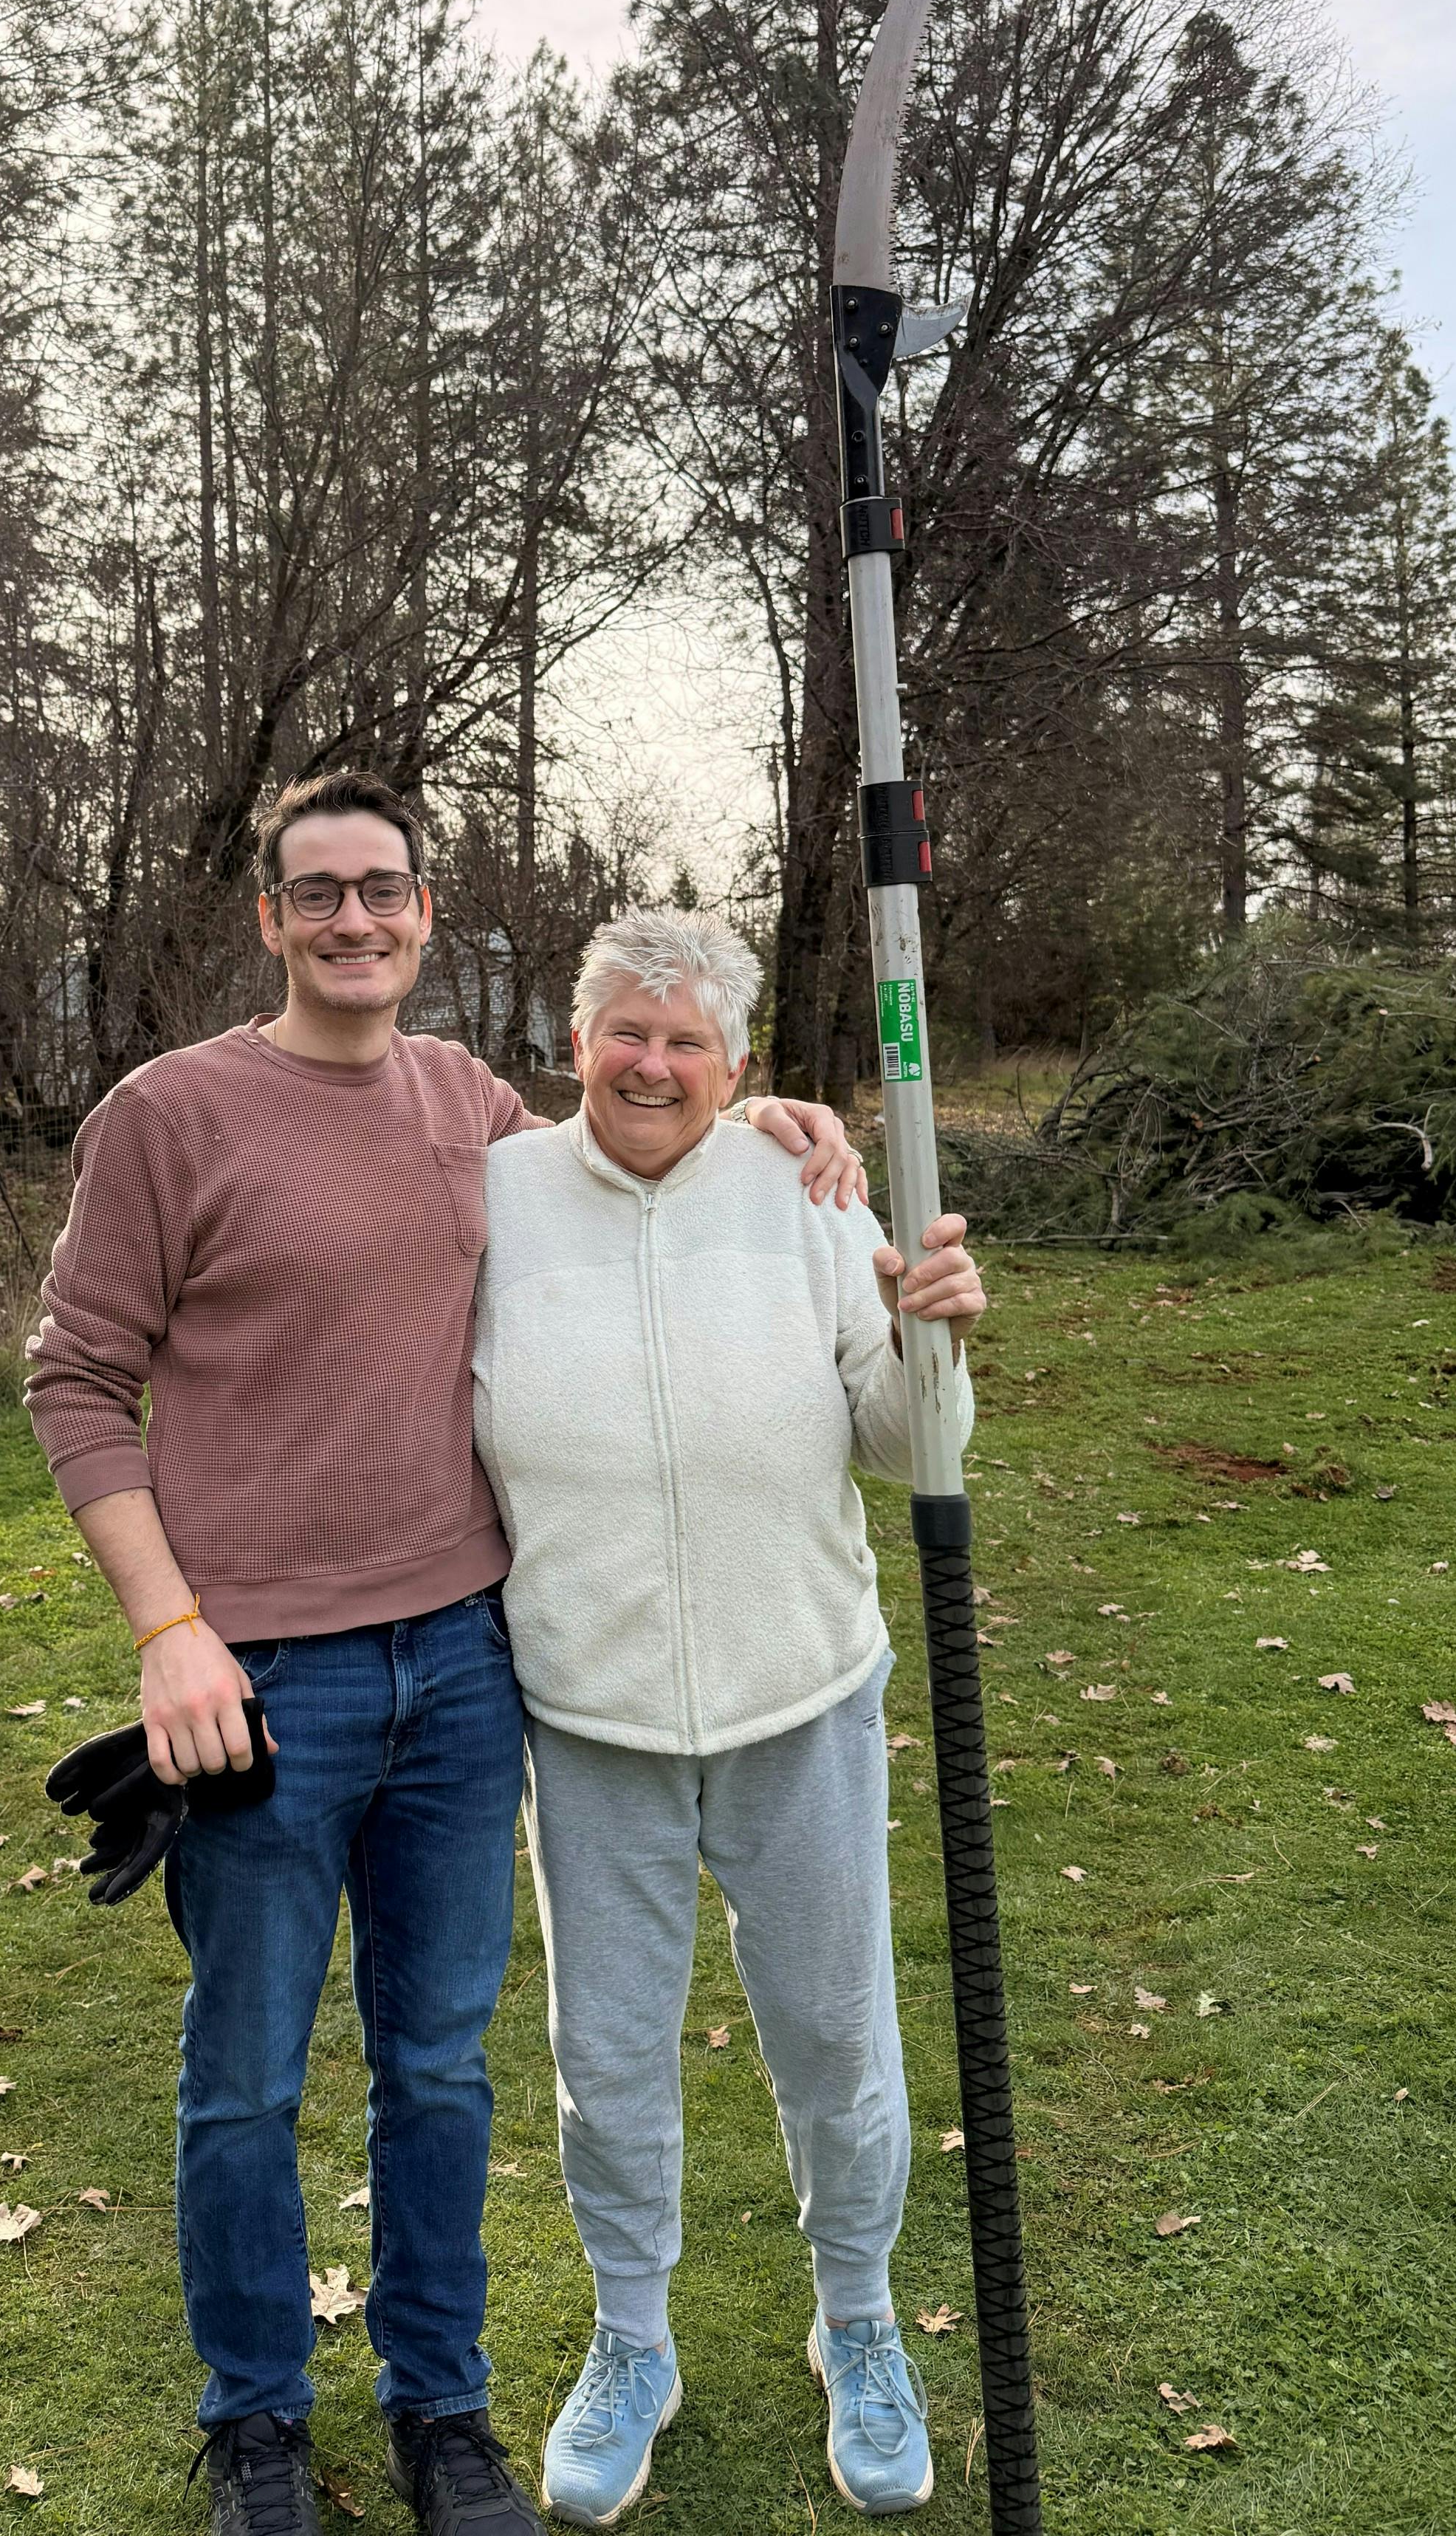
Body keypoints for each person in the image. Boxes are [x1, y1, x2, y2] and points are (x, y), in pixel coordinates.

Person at [23, 775, 860, 2536]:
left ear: (423, 913)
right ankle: (257, 2419)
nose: (352, 919)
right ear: (268, 917)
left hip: (469, 1668)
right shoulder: (169, 1115)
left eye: (382, 890)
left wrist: (777, 1114)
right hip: (261, 1682)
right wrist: (170, 1629)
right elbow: (76, 1379)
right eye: (316, 892)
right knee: (247, 2069)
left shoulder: (463, 1107)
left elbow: (636, 1122)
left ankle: (442, 2406)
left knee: (441, 2063)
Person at [470, 907, 988, 2525]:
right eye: (626, 1029)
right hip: (590, 1710)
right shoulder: (492, 1200)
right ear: (573, 1043)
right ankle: (635, 2338)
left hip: (801, 1692)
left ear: (739, 1064)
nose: (653, 1061)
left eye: (688, 1039)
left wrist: (933, 1333)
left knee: (837, 2036)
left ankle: (859, 2321)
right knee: (608, 2055)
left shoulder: (808, 1192)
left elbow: (907, 1443)